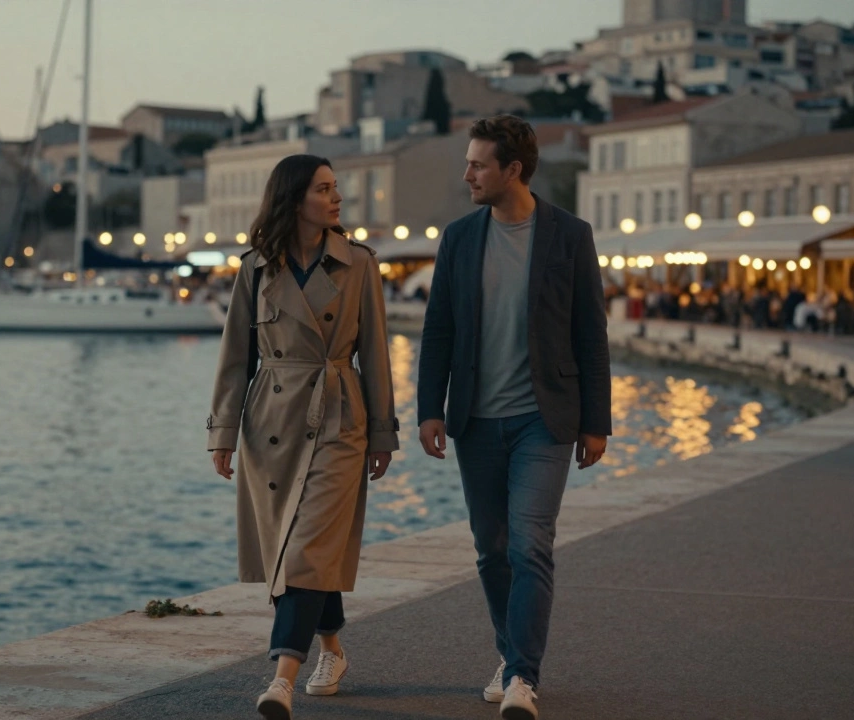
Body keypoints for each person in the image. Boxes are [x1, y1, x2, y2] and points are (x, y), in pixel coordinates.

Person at [417, 115, 611, 720]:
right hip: (476, 419)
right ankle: (509, 654)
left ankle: (524, 675)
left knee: (531, 545)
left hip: (543, 420)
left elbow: (590, 332)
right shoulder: (458, 237)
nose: (467, 174)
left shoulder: (570, 236)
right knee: (490, 549)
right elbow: (439, 329)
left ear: (514, 171)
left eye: (478, 164)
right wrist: (429, 409)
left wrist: (596, 421)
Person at [206, 154, 399, 720]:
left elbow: (378, 354)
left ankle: (282, 677)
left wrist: (383, 434)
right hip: (270, 421)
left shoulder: (359, 264)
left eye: (336, 188)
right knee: (302, 546)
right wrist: (221, 431)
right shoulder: (255, 268)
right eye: (323, 189)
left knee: (308, 542)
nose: (336, 198)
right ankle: (332, 651)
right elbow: (233, 358)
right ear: (294, 199)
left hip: (339, 415)